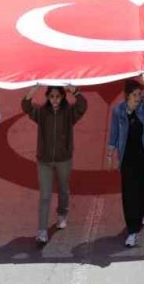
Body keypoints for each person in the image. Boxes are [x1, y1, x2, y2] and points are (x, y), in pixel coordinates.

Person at [21, 85, 87, 244]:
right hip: (44, 160)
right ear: (47, 97)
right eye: (52, 97)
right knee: (45, 195)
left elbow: (82, 105)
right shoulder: (42, 113)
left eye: (58, 96)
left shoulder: (69, 113)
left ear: (63, 97)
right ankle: (42, 231)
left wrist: (74, 90)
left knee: (63, 188)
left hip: (63, 159)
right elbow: (26, 106)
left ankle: (62, 214)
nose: (55, 100)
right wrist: (33, 89)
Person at [106, 75, 144, 247]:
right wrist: (110, 155)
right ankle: (132, 230)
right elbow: (113, 134)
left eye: (140, 94)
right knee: (129, 193)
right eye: (135, 95)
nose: (139, 98)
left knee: (143, 187)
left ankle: (143, 213)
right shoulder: (118, 111)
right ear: (127, 96)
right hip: (127, 159)